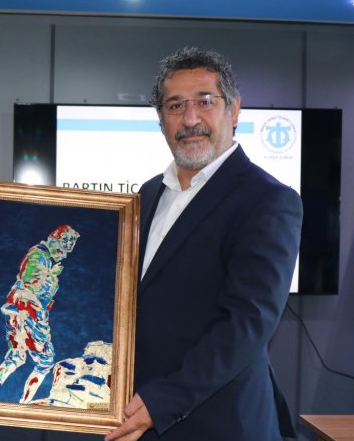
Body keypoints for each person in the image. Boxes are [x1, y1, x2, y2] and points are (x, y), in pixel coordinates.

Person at [105, 47, 302, 441]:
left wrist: (163, 400)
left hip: (218, 424)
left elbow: (247, 323)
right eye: (175, 105)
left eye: (205, 101)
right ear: (161, 120)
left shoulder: (268, 200)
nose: (190, 118)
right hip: (136, 415)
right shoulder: (147, 195)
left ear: (234, 110)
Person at [0, 224, 80, 403]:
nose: (64, 254)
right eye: (63, 248)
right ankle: (24, 404)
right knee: (46, 359)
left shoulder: (42, 257)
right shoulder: (38, 255)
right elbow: (33, 286)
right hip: (29, 311)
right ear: (55, 240)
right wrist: (52, 278)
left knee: (16, 357)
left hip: (20, 310)